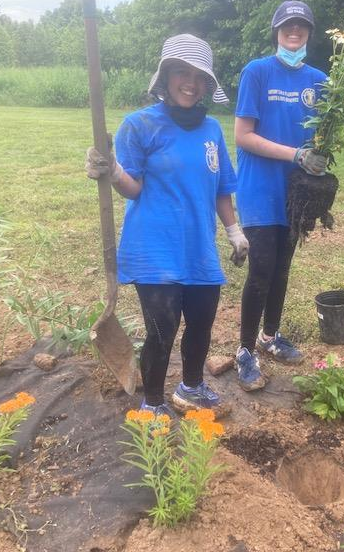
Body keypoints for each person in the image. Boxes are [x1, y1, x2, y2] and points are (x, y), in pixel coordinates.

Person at [86, 34, 249, 415]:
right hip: (154, 247)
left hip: (199, 247)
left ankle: (191, 386)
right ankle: (153, 403)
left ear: (208, 83)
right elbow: (133, 187)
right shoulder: (140, 125)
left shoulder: (211, 130)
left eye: (198, 75)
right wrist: (112, 171)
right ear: (165, 76)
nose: (190, 82)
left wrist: (234, 230)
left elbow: (221, 187)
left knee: (202, 321)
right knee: (162, 328)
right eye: (181, 72)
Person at [234, 1, 328, 391]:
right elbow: (243, 136)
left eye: (302, 27)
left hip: (296, 195)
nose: (295, 32)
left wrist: (321, 155)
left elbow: (321, 136)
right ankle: (244, 350)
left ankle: (269, 337)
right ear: (277, 31)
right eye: (288, 26)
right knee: (260, 272)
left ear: (308, 34)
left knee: (282, 269)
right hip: (259, 189)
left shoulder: (320, 80)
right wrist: (296, 154)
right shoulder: (257, 73)